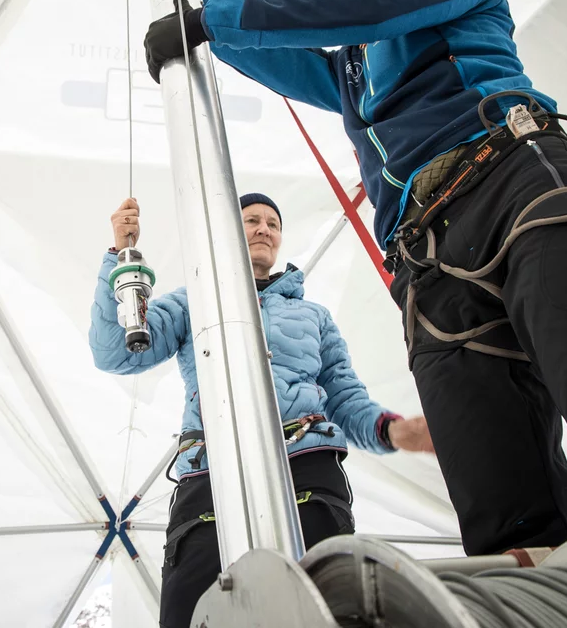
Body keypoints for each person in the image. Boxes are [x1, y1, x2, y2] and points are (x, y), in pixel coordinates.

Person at [129, 0, 567, 556]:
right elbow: (260, 50)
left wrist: (212, 19)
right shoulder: (348, 74)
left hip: (515, 187)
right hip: (428, 265)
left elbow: (371, 5)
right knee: (503, 516)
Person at [91, 193, 433, 628]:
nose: (264, 229)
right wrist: (118, 256)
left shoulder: (314, 316)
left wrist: (391, 431)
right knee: (189, 608)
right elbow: (115, 352)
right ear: (229, 230)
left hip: (306, 465)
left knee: (325, 607)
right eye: (252, 220)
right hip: (211, 469)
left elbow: (345, 397)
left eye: (273, 224)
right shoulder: (194, 300)